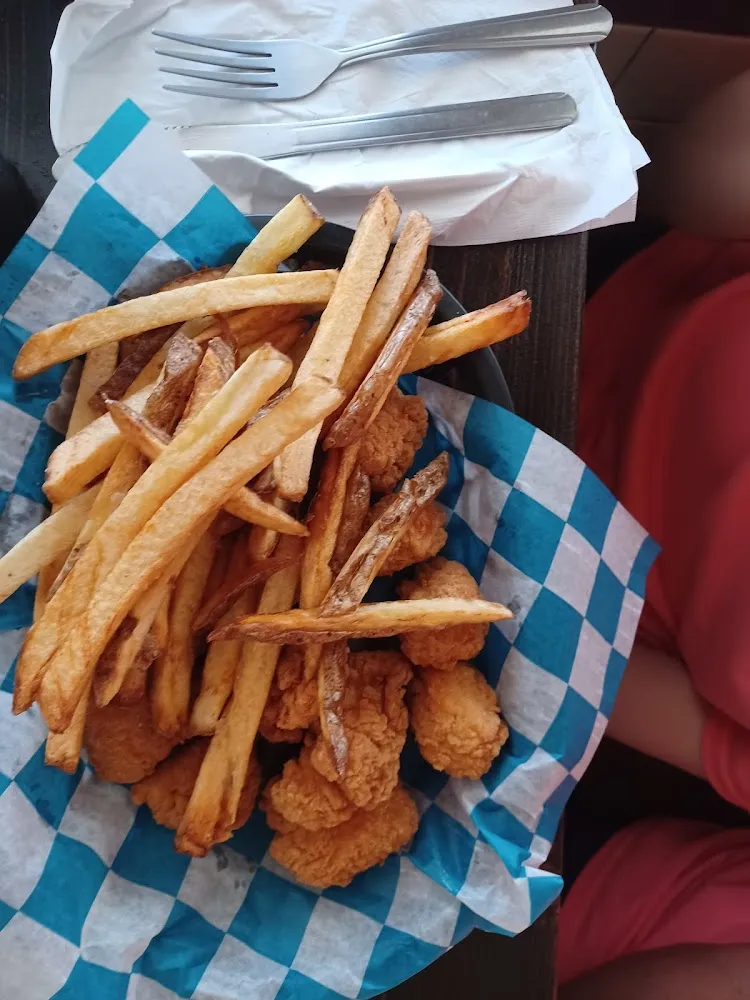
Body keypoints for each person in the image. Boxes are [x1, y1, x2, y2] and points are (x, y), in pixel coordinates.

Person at [558, 71, 750, 996]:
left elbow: (645, 699)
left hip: (554, 555)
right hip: (584, 284)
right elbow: (690, 172)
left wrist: (497, 586)